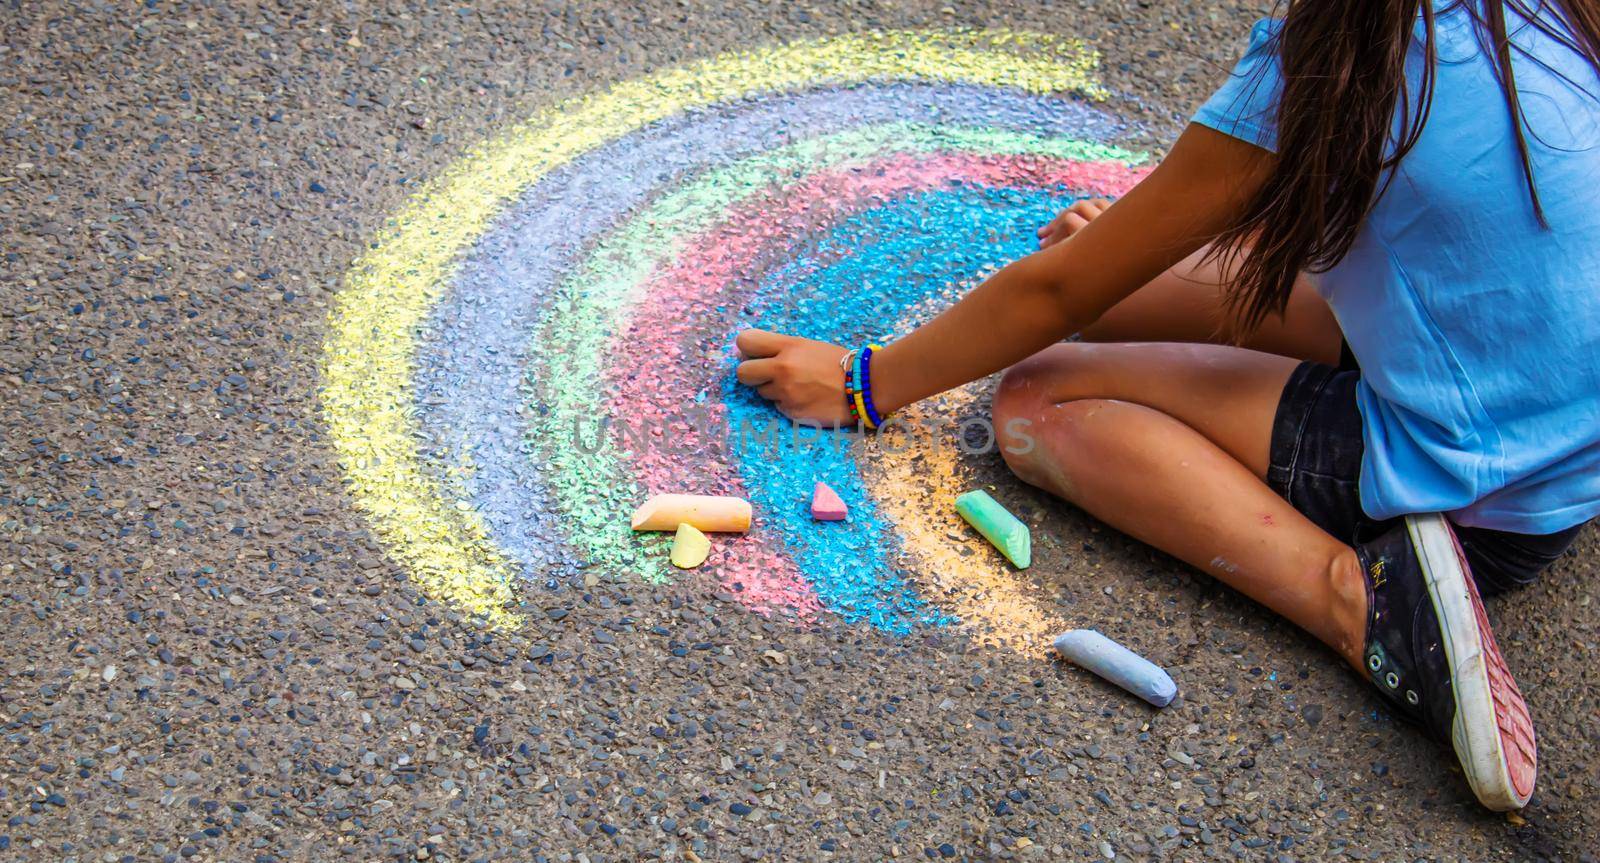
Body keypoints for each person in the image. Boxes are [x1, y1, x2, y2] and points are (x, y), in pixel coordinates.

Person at [734, 0, 1600, 811]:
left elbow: (1060, 291)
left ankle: (1364, 601)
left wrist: (863, 381)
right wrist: (1129, 253)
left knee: (1043, 394)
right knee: (1134, 285)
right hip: (1569, 436)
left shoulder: (1345, 52)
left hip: (1488, 496)